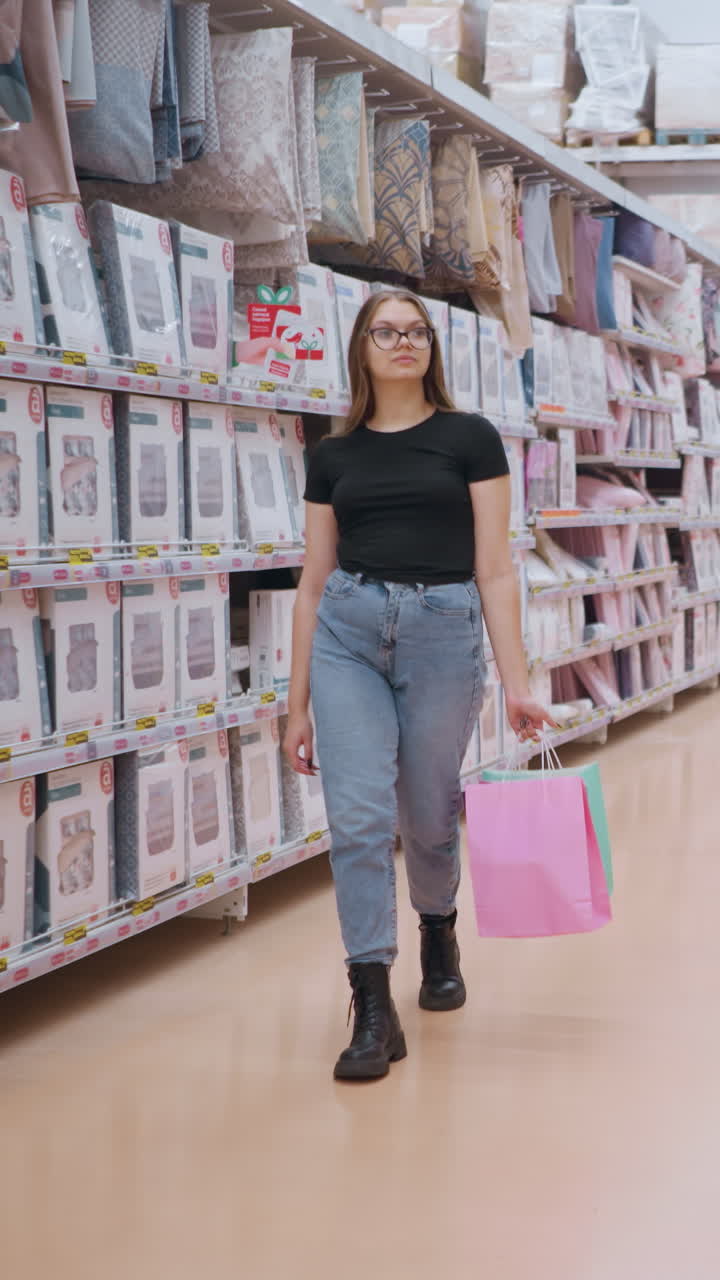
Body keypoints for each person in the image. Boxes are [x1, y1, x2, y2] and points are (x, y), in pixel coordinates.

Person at [283, 290, 553, 1082]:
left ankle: (438, 926)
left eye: (416, 332)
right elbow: (311, 579)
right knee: (361, 817)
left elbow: (496, 569)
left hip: (443, 632)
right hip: (348, 634)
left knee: (428, 814)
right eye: (386, 332)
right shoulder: (332, 456)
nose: (404, 343)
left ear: (431, 347)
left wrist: (518, 683)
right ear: (361, 349)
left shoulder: (470, 439)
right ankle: (372, 1003)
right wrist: (293, 702)